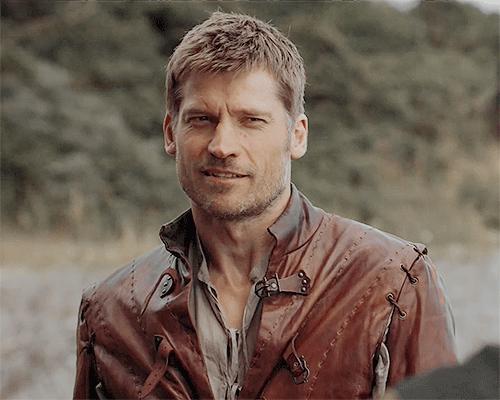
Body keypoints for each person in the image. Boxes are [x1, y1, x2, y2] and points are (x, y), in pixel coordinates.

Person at [73, 11, 457, 400]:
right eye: (202, 119)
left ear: (297, 136)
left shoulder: (392, 281)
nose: (222, 145)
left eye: (251, 120)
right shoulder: (112, 309)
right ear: (171, 134)